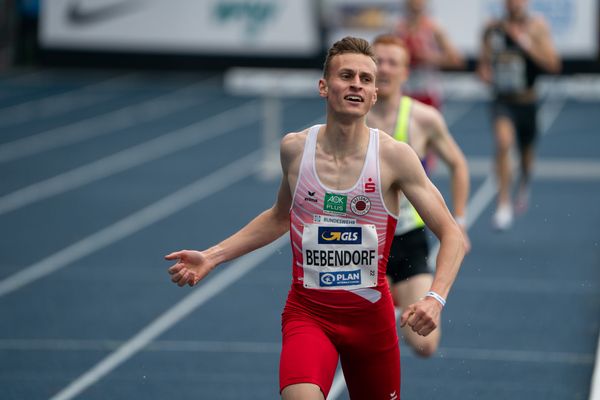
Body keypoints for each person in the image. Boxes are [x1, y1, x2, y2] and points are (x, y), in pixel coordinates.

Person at [166, 36, 466, 400]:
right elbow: (279, 216)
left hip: (371, 321)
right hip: (309, 315)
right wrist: (212, 256)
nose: (357, 83)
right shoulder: (295, 149)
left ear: (373, 95)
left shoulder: (394, 157)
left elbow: (452, 234)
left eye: (366, 79)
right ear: (324, 86)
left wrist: (435, 297)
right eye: (346, 75)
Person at [368, 34, 470, 357]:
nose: (383, 68)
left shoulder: (423, 118)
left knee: (425, 345)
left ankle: (396, 301)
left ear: (405, 72)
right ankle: (389, 303)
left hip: (409, 236)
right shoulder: (352, 117)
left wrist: (461, 220)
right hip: (366, 240)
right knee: (369, 340)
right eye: (377, 61)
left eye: (392, 62)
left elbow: (458, 163)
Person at [477, 0, 560, 230]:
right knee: (503, 144)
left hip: (528, 101)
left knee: (525, 156)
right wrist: (485, 74)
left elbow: (554, 64)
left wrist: (525, 44)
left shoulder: (537, 27)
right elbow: (483, 65)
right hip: (502, 101)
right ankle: (504, 204)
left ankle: (524, 180)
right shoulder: (492, 29)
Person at [393, 0, 464, 110]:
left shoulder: (434, 28)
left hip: (427, 93)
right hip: (403, 92)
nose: (415, 5)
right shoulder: (399, 29)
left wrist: (429, 57)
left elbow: (456, 60)